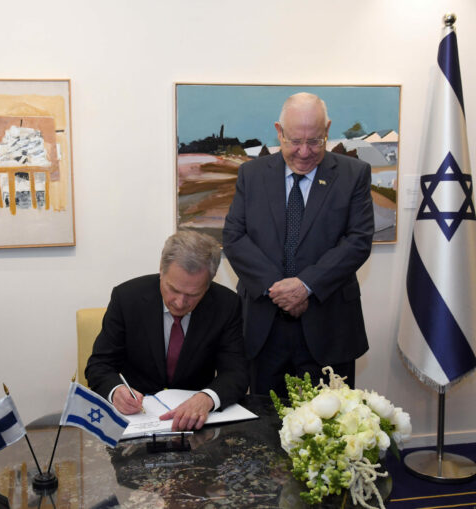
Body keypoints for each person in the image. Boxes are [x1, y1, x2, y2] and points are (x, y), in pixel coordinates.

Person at [222, 92, 374, 396]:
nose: (304, 152)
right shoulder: (251, 175)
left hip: (329, 325)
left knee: (333, 429)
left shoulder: (353, 174)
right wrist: (278, 289)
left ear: (328, 129)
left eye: (315, 141)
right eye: (294, 141)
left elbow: (358, 240)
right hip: (265, 327)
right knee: (265, 427)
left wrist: (305, 285)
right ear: (279, 131)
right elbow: (234, 237)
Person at [85, 230, 248, 431]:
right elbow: (99, 365)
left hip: (195, 425)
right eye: (173, 289)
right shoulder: (127, 298)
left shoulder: (226, 305)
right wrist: (116, 390)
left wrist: (207, 398)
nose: (180, 303)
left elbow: (236, 373)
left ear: (207, 286)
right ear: (161, 270)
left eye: (192, 295)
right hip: (137, 422)